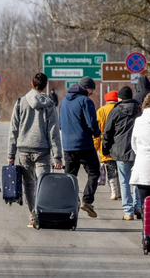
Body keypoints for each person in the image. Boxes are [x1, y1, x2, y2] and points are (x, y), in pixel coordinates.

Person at [8, 73, 63, 227]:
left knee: (29, 184)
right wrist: (57, 157)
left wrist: (11, 154)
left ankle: (33, 215)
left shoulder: (20, 103)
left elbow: (13, 130)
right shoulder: (50, 104)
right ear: (45, 86)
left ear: (32, 84)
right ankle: (42, 213)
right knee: (43, 183)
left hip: (24, 150)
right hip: (42, 150)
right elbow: (54, 132)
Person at [59, 77, 101, 218]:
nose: (92, 93)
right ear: (86, 88)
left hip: (67, 146)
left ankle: (69, 205)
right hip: (84, 144)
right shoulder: (86, 101)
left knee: (70, 177)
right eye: (92, 90)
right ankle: (87, 201)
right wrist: (96, 133)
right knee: (94, 173)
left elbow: (60, 124)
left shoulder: (64, 102)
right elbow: (91, 122)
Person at [102, 86, 142, 220]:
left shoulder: (116, 111)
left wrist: (105, 150)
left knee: (124, 180)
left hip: (120, 150)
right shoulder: (139, 110)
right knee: (137, 180)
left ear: (120, 98)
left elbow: (107, 132)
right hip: (138, 150)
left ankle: (128, 211)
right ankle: (138, 206)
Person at [95, 90, 121, 200]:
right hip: (120, 144)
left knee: (111, 169)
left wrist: (95, 147)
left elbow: (96, 131)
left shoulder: (101, 111)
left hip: (106, 145)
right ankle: (121, 191)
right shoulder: (121, 109)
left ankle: (114, 192)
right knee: (121, 169)